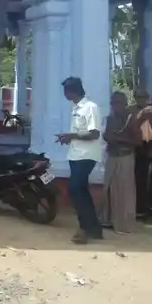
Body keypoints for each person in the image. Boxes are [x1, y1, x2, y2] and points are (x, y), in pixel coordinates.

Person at [55, 76, 103, 244]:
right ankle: (94, 228)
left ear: (72, 91)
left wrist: (72, 136)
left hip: (87, 155)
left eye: (66, 91)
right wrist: (68, 138)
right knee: (81, 190)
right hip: (75, 154)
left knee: (74, 189)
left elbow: (94, 134)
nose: (65, 94)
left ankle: (84, 228)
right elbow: (79, 133)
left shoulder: (90, 107)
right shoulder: (76, 108)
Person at [100, 91, 140, 234]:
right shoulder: (110, 119)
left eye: (117, 103)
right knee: (109, 188)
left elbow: (138, 141)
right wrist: (108, 137)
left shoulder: (131, 119)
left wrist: (118, 140)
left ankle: (124, 224)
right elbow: (106, 135)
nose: (114, 106)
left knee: (124, 191)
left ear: (125, 104)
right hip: (112, 156)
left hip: (125, 157)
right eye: (112, 103)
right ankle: (108, 219)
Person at [131, 88, 152, 219]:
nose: (139, 99)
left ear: (146, 97)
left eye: (142, 97)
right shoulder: (132, 110)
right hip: (138, 148)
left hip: (151, 147)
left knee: (151, 179)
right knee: (139, 179)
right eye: (137, 97)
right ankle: (140, 208)